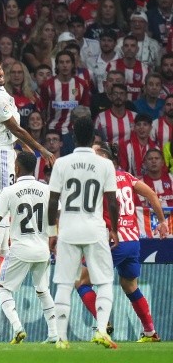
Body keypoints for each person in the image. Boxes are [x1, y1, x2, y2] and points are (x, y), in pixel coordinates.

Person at [74, 142, 167, 344]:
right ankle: (150, 332)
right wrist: (162, 222)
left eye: (95, 153)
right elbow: (151, 194)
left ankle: (102, 323)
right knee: (129, 285)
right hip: (133, 241)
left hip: (113, 241)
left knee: (81, 281)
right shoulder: (127, 177)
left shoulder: (98, 179)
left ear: (105, 158)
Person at [0, 55, 54, 276]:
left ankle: (3, 252)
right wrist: (42, 149)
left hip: (3, 147)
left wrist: (21, 146)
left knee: (6, 201)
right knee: (3, 201)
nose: (0, 72)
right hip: (0, 151)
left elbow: (13, 129)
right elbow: (16, 128)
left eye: (0, 67)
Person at [48, 116, 119, 349]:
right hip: (95, 228)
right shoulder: (105, 164)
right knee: (105, 281)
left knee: (65, 284)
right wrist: (115, 230)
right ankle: (101, 331)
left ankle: (60, 338)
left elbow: (52, 201)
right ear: (93, 139)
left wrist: (51, 232)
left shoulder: (61, 163)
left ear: (74, 136)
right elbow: (112, 202)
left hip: (68, 229)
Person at [0, 151, 58, 344]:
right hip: (42, 249)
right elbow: (57, 212)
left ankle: (18, 327)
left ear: (17, 167)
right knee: (43, 290)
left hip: (20, 249)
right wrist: (54, 235)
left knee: (2, 288)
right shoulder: (47, 189)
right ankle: (53, 333)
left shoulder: (9, 191)